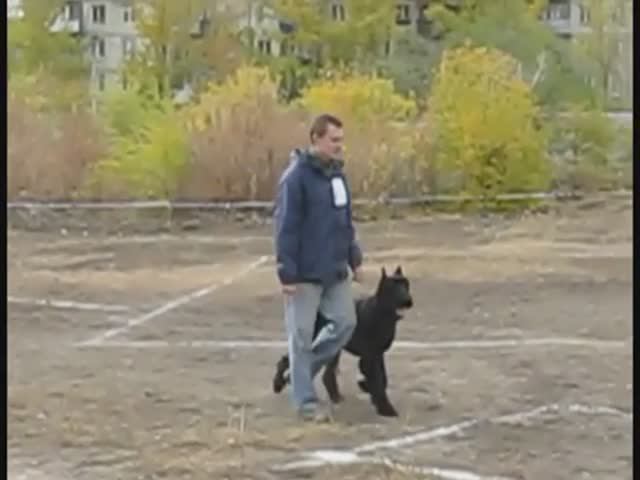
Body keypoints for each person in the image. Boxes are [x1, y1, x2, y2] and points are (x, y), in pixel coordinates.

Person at [274, 113, 363, 422]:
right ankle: (306, 403)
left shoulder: (338, 176)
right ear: (316, 139)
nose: (340, 146)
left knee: (345, 324)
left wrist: (354, 257)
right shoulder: (295, 178)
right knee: (299, 336)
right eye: (334, 140)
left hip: (335, 269)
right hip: (304, 273)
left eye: (341, 139)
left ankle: (299, 375)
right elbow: (286, 226)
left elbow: (345, 220)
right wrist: (286, 271)